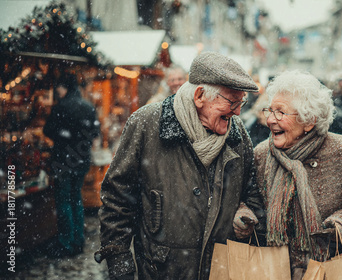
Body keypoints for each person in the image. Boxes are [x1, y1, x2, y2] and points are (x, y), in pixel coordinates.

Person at [96, 52, 266, 280]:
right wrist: (119, 262)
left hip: (220, 271)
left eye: (241, 102)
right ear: (199, 96)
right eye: (231, 102)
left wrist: (246, 210)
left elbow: (252, 191)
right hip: (163, 270)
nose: (237, 112)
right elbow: (117, 200)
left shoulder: (238, 136)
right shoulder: (146, 124)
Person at [254, 70, 342, 279]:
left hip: (336, 268)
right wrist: (247, 216)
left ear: (309, 121)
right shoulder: (261, 154)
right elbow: (251, 202)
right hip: (278, 270)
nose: (270, 119)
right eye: (270, 110)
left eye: (281, 112)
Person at [43, 73, 100, 257]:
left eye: (58, 88)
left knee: (63, 201)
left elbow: (48, 130)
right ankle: (78, 240)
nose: (57, 91)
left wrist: (63, 139)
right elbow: (95, 133)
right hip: (81, 159)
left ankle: (66, 243)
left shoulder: (61, 107)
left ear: (64, 87)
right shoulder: (88, 107)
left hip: (63, 160)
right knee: (76, 198)